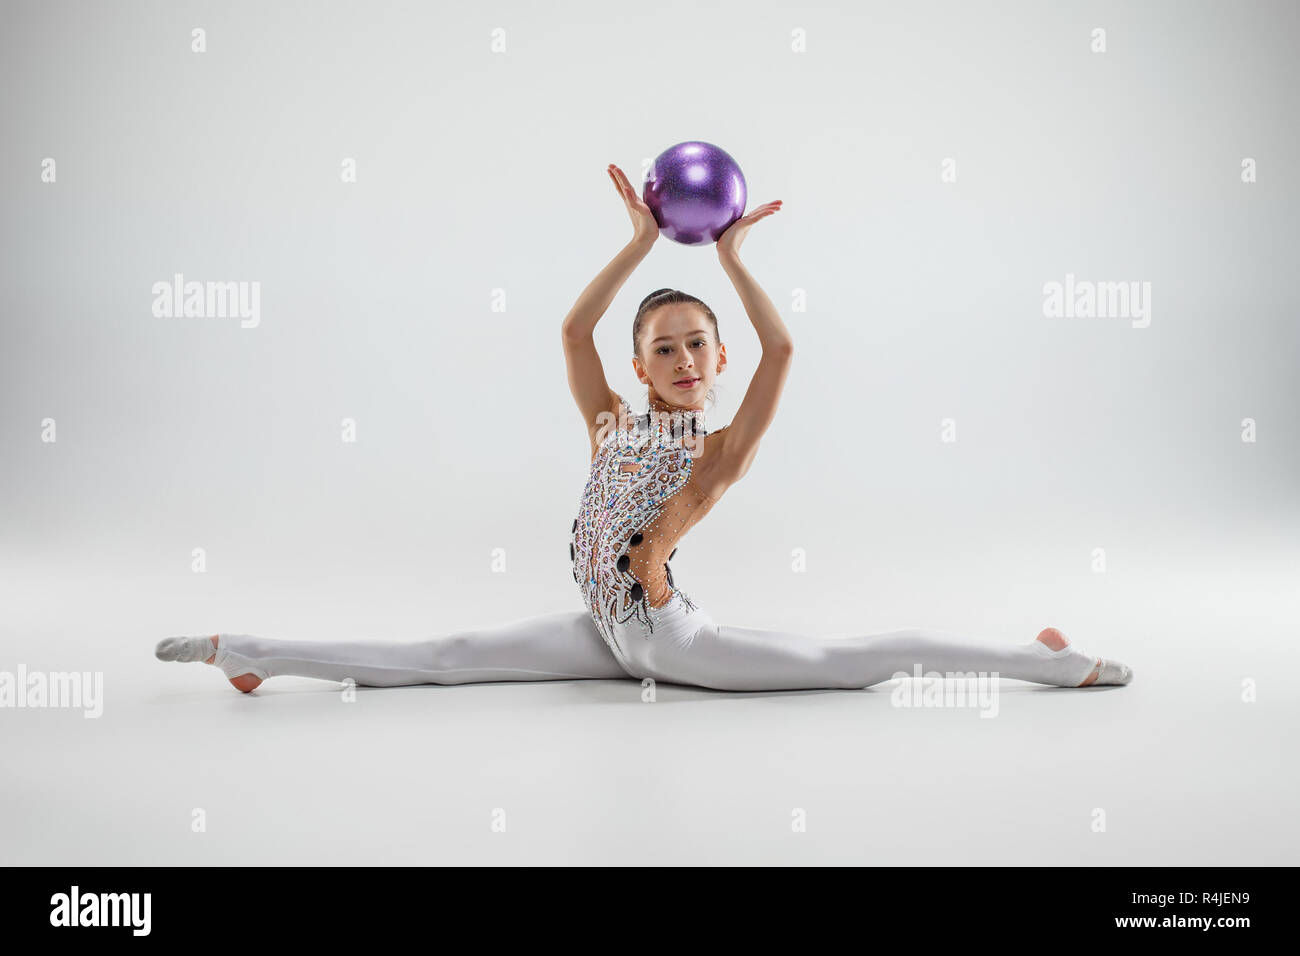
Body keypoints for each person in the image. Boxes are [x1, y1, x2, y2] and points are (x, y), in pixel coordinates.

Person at [156, 163, 1133, 694]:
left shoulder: (713, 452)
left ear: (717, 361)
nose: (680, 359)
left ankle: (1045, 660)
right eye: (662, 347)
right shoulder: (611, 425)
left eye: (695, 345)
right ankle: (255, 649)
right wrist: (635, 243)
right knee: (444, 654)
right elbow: (574, 327)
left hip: (671, 643)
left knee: (857, 660)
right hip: (607, 630)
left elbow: (783, 355)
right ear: (639, 367)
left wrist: (736, 259)